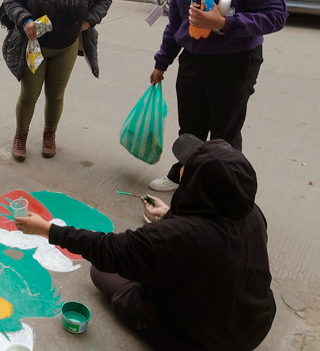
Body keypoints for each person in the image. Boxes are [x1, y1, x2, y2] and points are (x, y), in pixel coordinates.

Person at [15, 134, 275, 350]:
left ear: (198, 181)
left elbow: (107, 249)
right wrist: (168, 214)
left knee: (101, 272)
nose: (180, 166)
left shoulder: (174, 237)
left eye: (188, 165)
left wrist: (48, 230)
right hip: (254, 325)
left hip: (199, 341)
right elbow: (211, 233)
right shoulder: (251, 213)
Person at [148, 0, 287, 192]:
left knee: (224, 135)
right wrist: (163, 61)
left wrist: (225, 22)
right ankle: (185, 174)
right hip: (193, 59)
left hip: (234, 61)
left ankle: (222, 191)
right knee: (190, 128)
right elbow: (176, 21)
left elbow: (276, 15)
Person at [2, 0, 113, 161]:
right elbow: (11, 0)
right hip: (35, 47)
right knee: (29, 95)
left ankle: (49, 135)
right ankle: (21, 135)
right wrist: (26, 20)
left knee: (56, 95)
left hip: (67, 47)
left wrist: (89, 21)